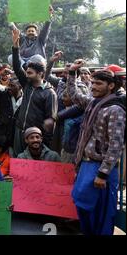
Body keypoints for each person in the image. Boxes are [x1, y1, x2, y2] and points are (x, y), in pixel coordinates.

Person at [67, 60, 126, 235]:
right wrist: (71, 73)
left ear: (111, 86)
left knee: (102, 216)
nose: (93, 86)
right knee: (83, 208)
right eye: (92, 82)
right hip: (86, 165)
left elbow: (116, 146)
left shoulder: (115, 109)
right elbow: (73, 94)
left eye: (98, 83)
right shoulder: (93, 102)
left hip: (102, 170)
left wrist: (102, 174)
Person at [11, 29, 58, 157]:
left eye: (30, 73)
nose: (26, 74)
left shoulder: (49, 93)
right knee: (18, 162)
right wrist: (15, 46)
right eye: (26, 72)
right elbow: (16, 66)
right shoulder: (27, 84)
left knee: (33, 168)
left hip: (35, 138)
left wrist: (45, 144)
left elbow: (50, 121)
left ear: (40, 74)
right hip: (19, 131)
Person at [0, 70, 23, 149]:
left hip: (16, 135)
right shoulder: (4, 95)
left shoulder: (26, 99)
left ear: (20, 87)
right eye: (9, 85)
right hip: (1, 134)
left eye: (12, 86)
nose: (9, 87)